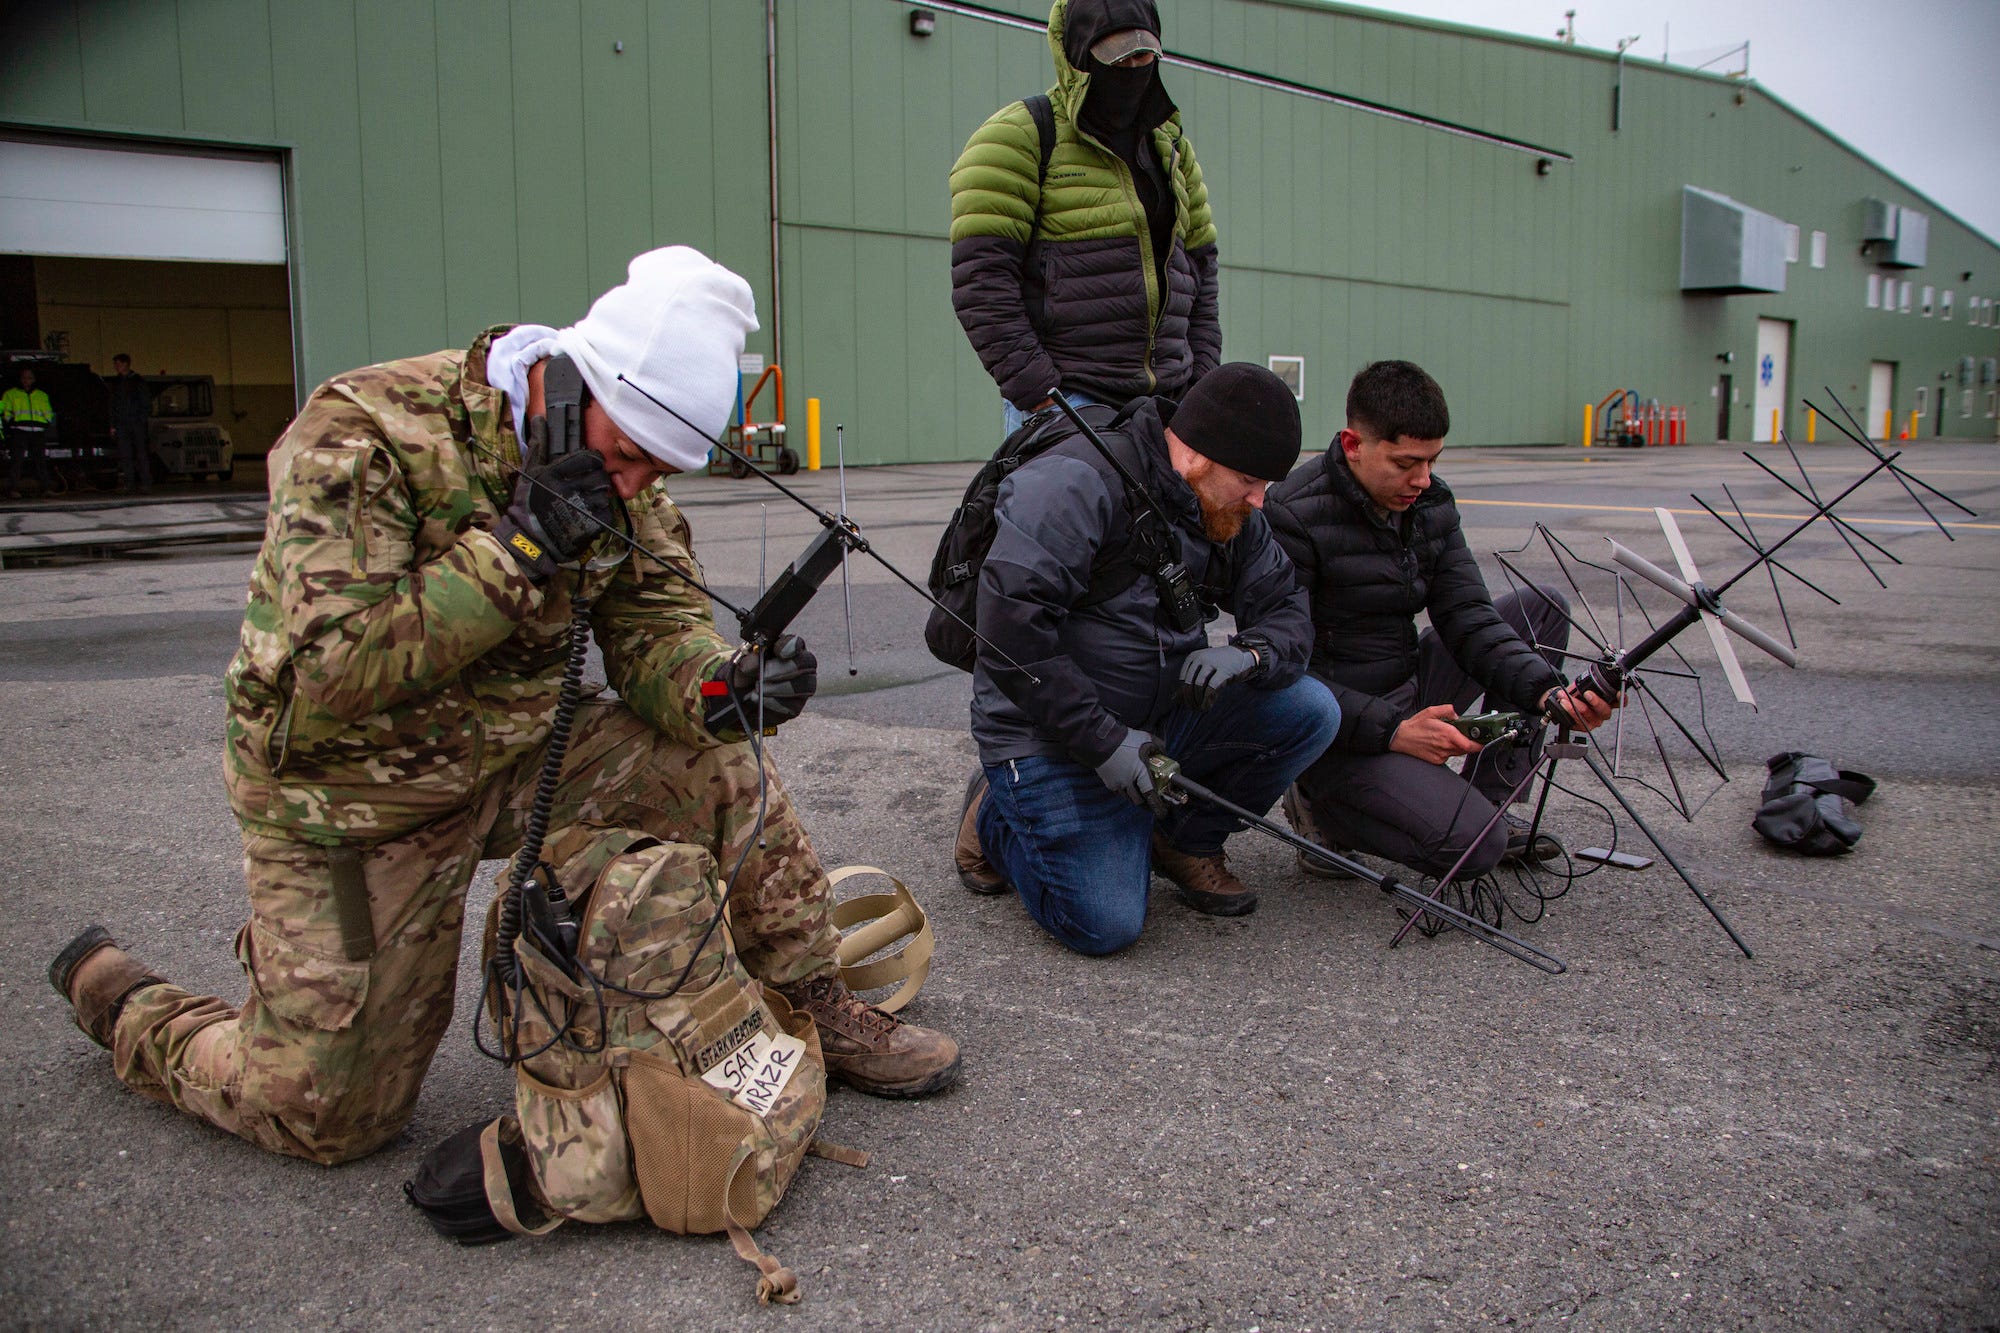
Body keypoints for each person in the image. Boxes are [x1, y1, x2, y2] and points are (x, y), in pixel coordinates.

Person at [48, 247, 960, 1167]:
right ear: (565, 387)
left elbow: (656, 634)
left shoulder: (622, 476)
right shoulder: (365, 433)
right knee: (327, 1115)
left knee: (720, 763)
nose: (635, 486)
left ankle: (814, 999)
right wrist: (516, 549)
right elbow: (326, 672)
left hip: (521, 756)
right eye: (628, 455)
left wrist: (723, 689)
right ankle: (134, 1001)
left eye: (659, 471)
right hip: (354, 797)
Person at [955, 363, 1339, 955]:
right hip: (1049, 733)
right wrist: (1106, 742)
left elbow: (1286, 604)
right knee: (1105, 924)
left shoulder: (1227, 509)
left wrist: (1254, 655)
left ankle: (1183, 839)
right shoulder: (1074, 484)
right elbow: (1011, 635)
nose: (1262, 500)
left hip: (1158, 719)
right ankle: (995, 817)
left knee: (1310, 710)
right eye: (1251, 480)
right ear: (1196, 456)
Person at [1264, 360, 1617, 884]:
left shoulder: (1431, 502)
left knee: (1541, 609)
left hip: (1407, 679)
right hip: (1338, 725)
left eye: (1432, 461)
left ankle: (1491, 800)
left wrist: (1550, 695)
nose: (1423, 479)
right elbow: (1282, 675)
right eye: (1406, 462)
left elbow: (1469, 618)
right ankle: (1322, 806)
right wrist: (1395, 732)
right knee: (1474, 849)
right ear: (1353, 443)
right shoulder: (1291, 514)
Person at [949, 0, 1220, 436]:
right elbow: (981, 283)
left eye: (1143, 54)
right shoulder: (1018, 137)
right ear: (1075, 56)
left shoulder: (1171, 147)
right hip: (1069, 403)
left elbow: (1201, 274)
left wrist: (1202, 385)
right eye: (1116, 57)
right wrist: (1043, 394)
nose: (1132, 68)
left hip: (1170, 408)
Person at [3, 363, 56, 497]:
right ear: (20, 379)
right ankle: (14, 489)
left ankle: (46, 489)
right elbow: (6, 411)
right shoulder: (10, 394)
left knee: (41, 461)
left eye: (30, 378)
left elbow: (48, 412)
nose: (27, 380)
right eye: (25, 378)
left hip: (37, 431)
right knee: (17, 461)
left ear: (34, 379)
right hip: (19, 430)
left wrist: (46, 422)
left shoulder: (41, 395)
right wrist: (11, 421)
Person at [105, 353, 153, 494]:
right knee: (126, 455)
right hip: (122, 424)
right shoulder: (116, 383)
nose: (116, 367)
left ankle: (145, 483)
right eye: (115, 365)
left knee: (140, 454)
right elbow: (112, 405)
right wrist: (113, 424)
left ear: (126, 364)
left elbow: (146, 404)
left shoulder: (138, 382)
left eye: (118, 364)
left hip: (135, 424)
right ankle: (129, 484)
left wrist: (140, 420)